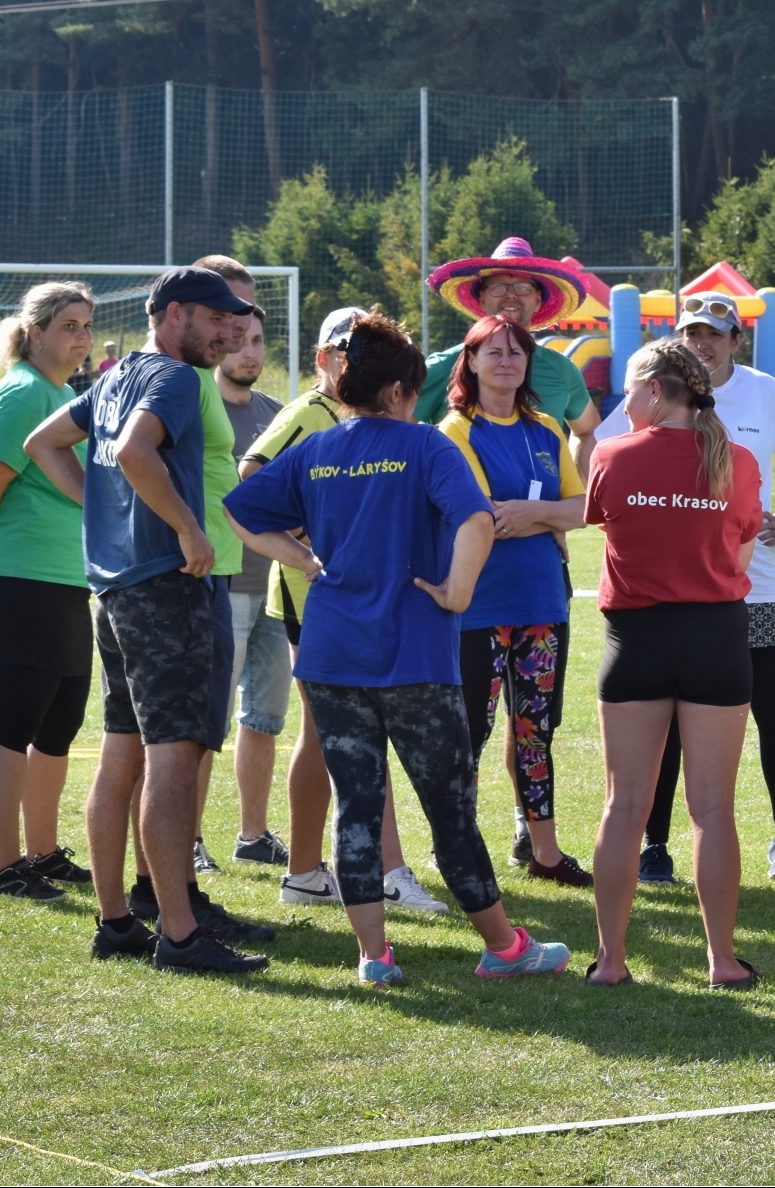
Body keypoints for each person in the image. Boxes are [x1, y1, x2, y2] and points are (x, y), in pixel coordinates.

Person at [225, 312, 571, 987]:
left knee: (356, 805)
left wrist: (300, 557)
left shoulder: (319, 448)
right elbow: (477, 518)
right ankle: (503, 946)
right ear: (397, 392)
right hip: (414, 656)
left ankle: (373, 956)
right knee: (450, 808)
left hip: (330, 657)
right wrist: (458, 592)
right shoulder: (425, 445)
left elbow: (241, 507)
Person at [24, 266, 271, 973]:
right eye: (216, 319)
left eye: (235, 322)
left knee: (120, 757)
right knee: (172, 761)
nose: (228, 334)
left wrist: (103, 512)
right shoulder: (174, 378)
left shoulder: (119, 375)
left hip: (117, 590)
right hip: (165, 588)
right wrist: (188, 528)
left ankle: (116, 923)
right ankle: (182, 935)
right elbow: (133, 451)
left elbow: (44, 443)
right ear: (175, 313)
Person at [595, 295, 775, 885]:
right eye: (693, 332)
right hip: (683, 598)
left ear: (736, 341)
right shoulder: (651, 397)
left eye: (715, 334)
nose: (703, 342)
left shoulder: (765, 393)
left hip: (755, 589)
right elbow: (606, 452)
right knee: (665, 728)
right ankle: (655, 845)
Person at [581, 340, 764, 987]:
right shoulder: (738, 460)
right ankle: (722, 961)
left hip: (636, 641)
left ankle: (611, 961)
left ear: (655, 390)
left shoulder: (611, 455)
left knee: (623, 806)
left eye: (629, 389)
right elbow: (739, 552)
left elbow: (608, 526)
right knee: (712, 809)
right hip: (716, 638)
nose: (623, 402)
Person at [241, 306, 432, 912]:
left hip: (347, 597)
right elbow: (252, 476)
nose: (356, 364)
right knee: (344, 733)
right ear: (324, 359)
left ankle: (310, 871)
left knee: (333, 735)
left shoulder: (357, 418)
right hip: (317, 597)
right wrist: (305, 546)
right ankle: (380, 872)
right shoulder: (310, 413)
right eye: (346, 352)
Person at [425, 238, 601, 868]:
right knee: (468, 733)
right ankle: (459, 853)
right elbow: (481, 518)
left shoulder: (547, 428)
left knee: (537, 733)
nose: (506, 360)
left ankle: (545, 853)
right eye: (493, 351)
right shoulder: (453, 430)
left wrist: (531, 514)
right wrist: (542, 515)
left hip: (542, 599)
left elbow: (585, 509)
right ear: (470, 361)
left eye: (515, 352)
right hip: (476, 602)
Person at [0, 283, 99, 901]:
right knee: (15, 719)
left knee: (59, 723)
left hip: (62, 578)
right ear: (35, 333)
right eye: (68, 325)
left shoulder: (59, 393)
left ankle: (43, 853)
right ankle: (4, 868)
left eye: (86, 325)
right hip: (19, 575)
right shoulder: (24, 391)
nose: (81, 336)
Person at [194, 256, 290, 870]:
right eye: (240, 338)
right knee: (206, 724)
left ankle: (253, 835)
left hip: (274, 588)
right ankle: (189, 840)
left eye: (258, 340)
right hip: (219, 586)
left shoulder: (279, 413)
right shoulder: (194, 401)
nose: (248, 350)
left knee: (265, 720)